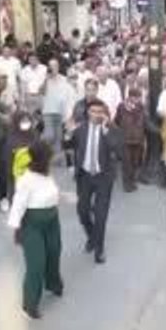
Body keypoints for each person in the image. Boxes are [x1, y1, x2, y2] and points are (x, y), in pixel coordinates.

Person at [7, 143, 63, 320]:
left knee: (54, 252)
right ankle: (29, 304)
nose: (51, 160)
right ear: (41, 160)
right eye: (49, 158)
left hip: (52, 220)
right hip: (32, 225)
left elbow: (53, 195)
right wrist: (16, 229)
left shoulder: (48, 176)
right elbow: (17, 206)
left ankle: (53, 283)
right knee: (36, 263)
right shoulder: (26, 180)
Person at [70, 99, 123, 264]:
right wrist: (67, 134)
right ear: (88, 112)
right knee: (83, 212)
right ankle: (92, 235)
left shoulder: (111, 129)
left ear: (104, 113)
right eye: (93, 111)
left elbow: (119, 151)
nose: (96, 115)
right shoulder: (80, 129)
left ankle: (99, 250)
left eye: (99, 112)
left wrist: (107, 132)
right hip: (85, 176)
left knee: (100, 215)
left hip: (103, 177)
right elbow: (69, 145)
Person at [41, 60, 78, 158]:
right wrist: (45, 79)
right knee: (49, 134)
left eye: (55, 66)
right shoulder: (45, 79)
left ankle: (54, 159)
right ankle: (39, 147)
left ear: (58, 67)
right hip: (48, 111)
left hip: (60, 112)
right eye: (51, 66)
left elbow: (70, 94)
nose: (53, 68)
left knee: (58, 137)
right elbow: (41, 91)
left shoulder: (63, 79)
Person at [115, 86, 148, 192]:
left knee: (135, 162)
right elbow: (117, 120)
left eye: (140, 97)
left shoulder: (141, 107)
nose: (139, 99)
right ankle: (127, 184)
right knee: (127, 164)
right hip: (126, 139)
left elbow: (145, 121)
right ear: (131, 97)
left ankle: (132, 181)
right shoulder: (121, 107)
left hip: (138, 139)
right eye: (138, 97)